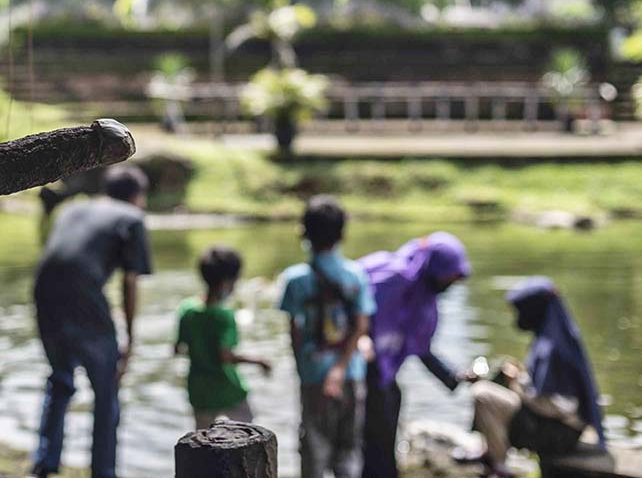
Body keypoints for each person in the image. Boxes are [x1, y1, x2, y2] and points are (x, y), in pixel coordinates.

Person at [30, 165, 153, 478]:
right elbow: (129, 282)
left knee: (61, 379)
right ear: (137, 196)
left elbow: (66, 258)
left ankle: (44, 463)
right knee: (106, 389)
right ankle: (103, 472)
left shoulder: (74, 208)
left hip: (44, 291)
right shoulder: (132, 218)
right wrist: (130, 339)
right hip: (83, 295)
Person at [359, 232, 473, 478]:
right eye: (450, 277)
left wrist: (454, 376)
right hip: (359, 369)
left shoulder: (422, 296)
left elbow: (420, 347)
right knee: (374, 438)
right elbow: (357, 313)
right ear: (434, 267)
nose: (451, 283)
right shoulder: (392, 277)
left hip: (383, 375)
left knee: (390, 409)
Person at [278, 196, 375, 478]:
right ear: (342, 234)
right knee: (349, 449)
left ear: (303, 233)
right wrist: (341, 367)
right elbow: (361, 326)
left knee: (314, 450)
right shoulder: (356, 275)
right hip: (351, 372)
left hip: (313, 374)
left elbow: (294, 331)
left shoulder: (295, 280)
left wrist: (302, 369)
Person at [470, 277, 606, 478]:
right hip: (556, 425)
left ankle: (499, 465)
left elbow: (557, 406)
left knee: (482, 393)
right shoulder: (554, 335)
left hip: (559, 434)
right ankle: (489, 452)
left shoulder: (553, 349)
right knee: (497, 379)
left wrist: (517, 383)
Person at [175, 246, 272, 429]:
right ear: (227, 282)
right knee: (248, 432)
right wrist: (259, 361)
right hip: (227, 390)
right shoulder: (224, 316)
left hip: (199, 391)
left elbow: (178, 348)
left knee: (202, 437)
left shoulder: (187, 310)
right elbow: (225, 355)